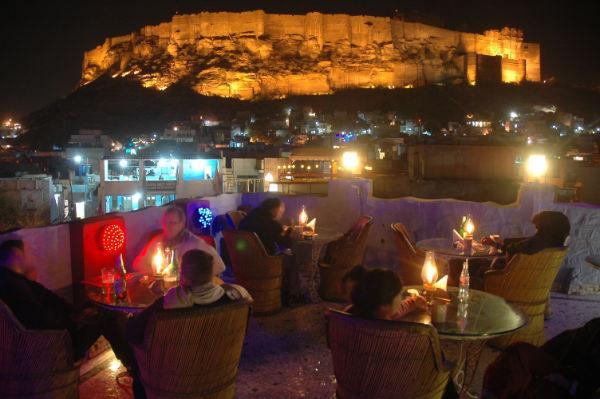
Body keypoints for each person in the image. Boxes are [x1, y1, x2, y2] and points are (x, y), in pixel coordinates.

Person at [0, 239, 133, 365]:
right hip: (57, 345)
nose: (33, 254)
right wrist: (76, 320)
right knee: (108, 314)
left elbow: (52, 300)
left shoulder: (17, 281)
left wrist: (78, 314)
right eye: (28, 252)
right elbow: (40, 320)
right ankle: (134, 366)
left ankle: (133, 363)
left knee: (98, 307)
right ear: (17, 255)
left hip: (59, 333)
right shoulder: (15, 287)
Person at [127, 249, 253, 345]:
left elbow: (134, 332)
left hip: (174, 366)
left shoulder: (168, 304)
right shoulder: (236, 296)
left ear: (183, 276)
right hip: (219, 361)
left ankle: (133, 371)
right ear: (210, 273)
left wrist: (130, 317)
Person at [482, 317, 600, 399]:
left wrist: (575, 388)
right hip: (575, 372)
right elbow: (571, 339)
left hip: (585, 391)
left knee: (533, 390)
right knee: (519, 353)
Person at [450, 211, 571, 288]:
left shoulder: (537, 243)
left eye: (538, 228)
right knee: (472, 263)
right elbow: (526, 240)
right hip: (523, 280)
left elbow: (514, 248)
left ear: (547, 229)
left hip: (505, 280)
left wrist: (497, 245)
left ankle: (454, 298)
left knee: (459, 264)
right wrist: (502, 242)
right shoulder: (552, 243)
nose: (536, 231)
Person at [133, 205, 225, 276]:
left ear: (182, 224)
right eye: (165, 222)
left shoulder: (195, 243)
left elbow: (219, 266)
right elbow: (137, 264)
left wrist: (194, 277)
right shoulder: (157, 241)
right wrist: (157, 272)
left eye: (172, 223)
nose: (167, 226)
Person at [346, 268, 427, 320]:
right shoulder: (386, 330)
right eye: (399, 295)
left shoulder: (353, 311)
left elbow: (396, 311)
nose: (401, 298)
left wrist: (413, 302)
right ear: (384, 306)